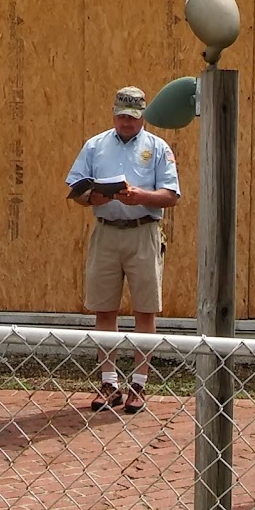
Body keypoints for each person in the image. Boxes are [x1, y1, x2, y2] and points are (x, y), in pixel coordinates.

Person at [66, 86, 180, 413]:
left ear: (142, 116)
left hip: (142, 231)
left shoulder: (158, 148)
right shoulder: (95, 145)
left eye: (131, 117)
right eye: (120, 116)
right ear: (113, 113)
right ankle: (109, 382)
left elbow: (171, 195)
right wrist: (92, 198)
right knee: (104, 309)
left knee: (145, 310)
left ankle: (140, 385)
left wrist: (141, 196)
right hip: (106, 232)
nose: (125, 122)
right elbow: (76, 189)